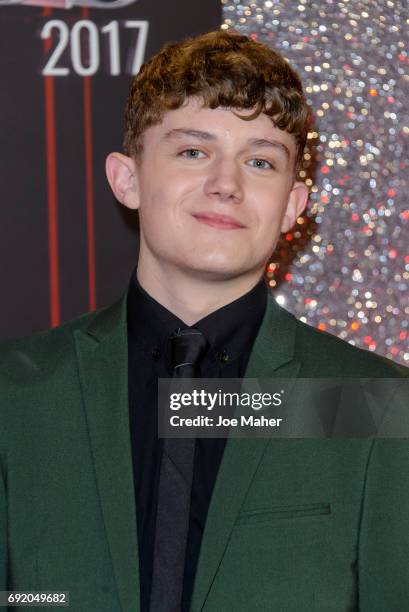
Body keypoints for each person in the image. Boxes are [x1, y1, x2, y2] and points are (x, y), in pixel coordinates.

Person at [1, 30, 409, 612]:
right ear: (127, 178)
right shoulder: (15, 394)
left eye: (260, 161)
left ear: (294, 205)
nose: (227, 184)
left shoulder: (376, 405)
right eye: (193, 151)